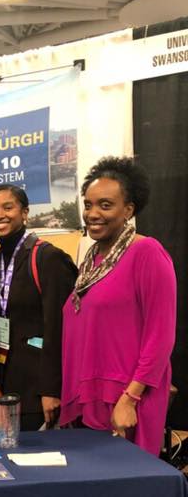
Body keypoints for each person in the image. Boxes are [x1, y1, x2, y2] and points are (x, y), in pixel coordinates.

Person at [60, 156, 176, 456]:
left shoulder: (147, 253)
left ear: (129, 210)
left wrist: (130, 399)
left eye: (105, 205)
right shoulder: (90, 260)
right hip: (91, 398)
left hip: (126, 400)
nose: (93, 213)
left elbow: (160, 336)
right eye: (88, 204)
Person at [0, 185, 77, 430]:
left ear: (25, 212)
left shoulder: (47, 258)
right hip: (5, 381)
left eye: (8, 207)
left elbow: (59, 328)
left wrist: (51, 390)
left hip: (39, 388)